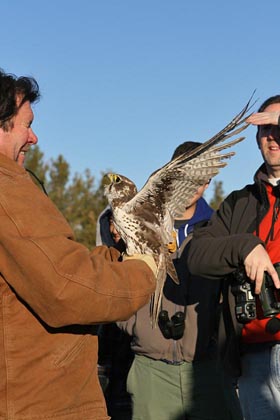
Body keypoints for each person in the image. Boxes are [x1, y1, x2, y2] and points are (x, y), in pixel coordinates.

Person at [0, 68, 157, 420]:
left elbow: (50, 267)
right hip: (41, 404)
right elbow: (68, 289)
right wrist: (144, 268)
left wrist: (119, 255)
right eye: (26, 124)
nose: (34, 137)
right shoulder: (7, 191)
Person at [116, 141, 243, 420]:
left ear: (208, 181)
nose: (192, 185)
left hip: (207, 368)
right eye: (184, 177)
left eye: (199, 179)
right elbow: (119, 283)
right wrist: (135, 326)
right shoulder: (142, 222)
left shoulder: (218, 228)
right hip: (151, 368)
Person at [188, 95, 280, 420]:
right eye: (266, 128)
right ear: (257, 138)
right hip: (253, 356)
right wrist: (243, 245)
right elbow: (195, 255)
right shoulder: (239, 204)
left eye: (279, 127)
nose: (273, 136)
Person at [96, 206, 134, 420]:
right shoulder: (100, 262)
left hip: (136, 360)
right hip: (106, 360)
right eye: (110, 222)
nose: (113, 229)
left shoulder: (145, 262)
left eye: (118, 222)